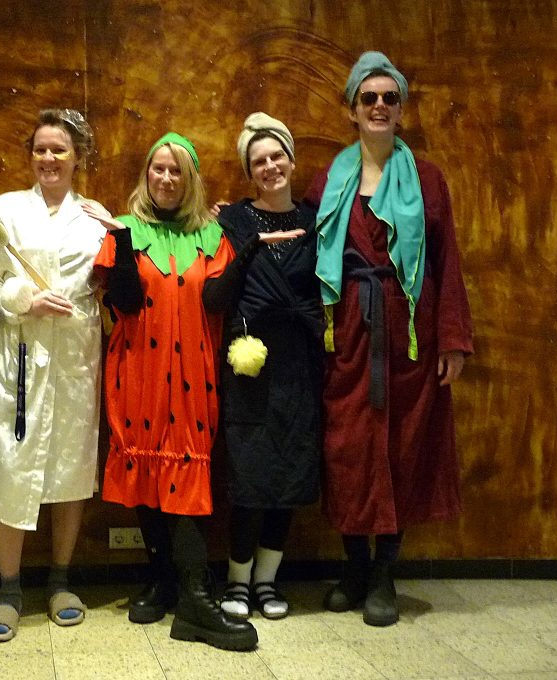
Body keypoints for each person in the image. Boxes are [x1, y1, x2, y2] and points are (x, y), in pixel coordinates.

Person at [304, 52, 474, 626]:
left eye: (389, 98)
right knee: (348, 448)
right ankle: (354, 566)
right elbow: (301, 246)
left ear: (401, 109)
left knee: (402, 445)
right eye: (368, 97)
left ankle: (384, 574)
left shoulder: (427, 179)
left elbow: (447, 261)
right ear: (351, 109)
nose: (379, 106)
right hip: (347, 331)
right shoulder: (328, 180)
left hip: (408, 335)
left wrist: (452, 340)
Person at [86, 132, 258, 651]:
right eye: (158, 168)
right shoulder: (124, 228)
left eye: (176, 170)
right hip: (138, 369)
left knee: (184, 472)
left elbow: (217, 300)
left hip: (192, 373)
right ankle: (164, 581)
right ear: (147, 174)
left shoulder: (212, 235)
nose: (165, 178)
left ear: (190, 179)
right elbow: (124, 302)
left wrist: (247, 251)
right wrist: (120, 243)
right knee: (146, 472)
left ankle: (194, 598)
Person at [0, 109, 105, 642]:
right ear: (30, 156)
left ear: (77, 157)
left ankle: (61, 581)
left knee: (71, 467)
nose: (49, 158)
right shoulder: (3, 210)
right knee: (11, 465)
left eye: (59, 149)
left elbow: (110, 279)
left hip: (74, 357)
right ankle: (8, 590)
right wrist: (23, 299)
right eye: (40, 149)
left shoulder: (94, 218)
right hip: (20, 354)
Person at [202, 113, 323, 621]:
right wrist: (247, 249)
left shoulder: (318, 219)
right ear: (248, 172)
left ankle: (268, 582)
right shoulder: (231, 222)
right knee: (250, 476)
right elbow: (214, 294)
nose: (270, 167)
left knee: (289, 473)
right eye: (259, 161)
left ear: (292, 161)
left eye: (277, 157)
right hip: (249, 360)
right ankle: (237, 582)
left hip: (299, 361)